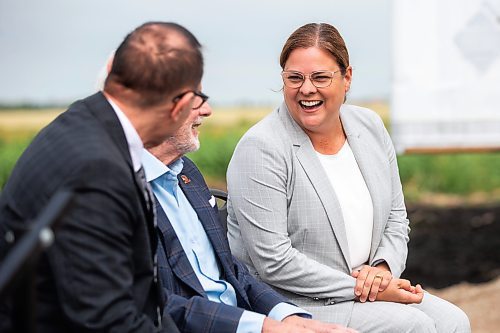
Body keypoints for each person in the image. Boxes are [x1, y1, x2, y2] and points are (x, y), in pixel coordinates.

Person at [226, 23, 471, 332]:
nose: (306, 89)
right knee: (413, 326)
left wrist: (383, 269)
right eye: (295, 78)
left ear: (347, 78)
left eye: (320, 77)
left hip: (368, 289)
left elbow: (396, 217)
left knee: (454, 321)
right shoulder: (261, 148)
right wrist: (369, 289)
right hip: (294, 302)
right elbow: (273, 261)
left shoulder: (368, 125)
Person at [0, 21, 204, 333]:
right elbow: (108, 320)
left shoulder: (83, 120)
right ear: (178, 106)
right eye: (197, 98)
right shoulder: (97, 171)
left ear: (112, 69)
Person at [142, 91, 357, 333]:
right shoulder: (116, 193)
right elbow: (150, 305)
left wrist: (287, 316)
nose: (206, 110)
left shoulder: (187, 173)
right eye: (193, 98)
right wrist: (263, 327)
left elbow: (231, 269)